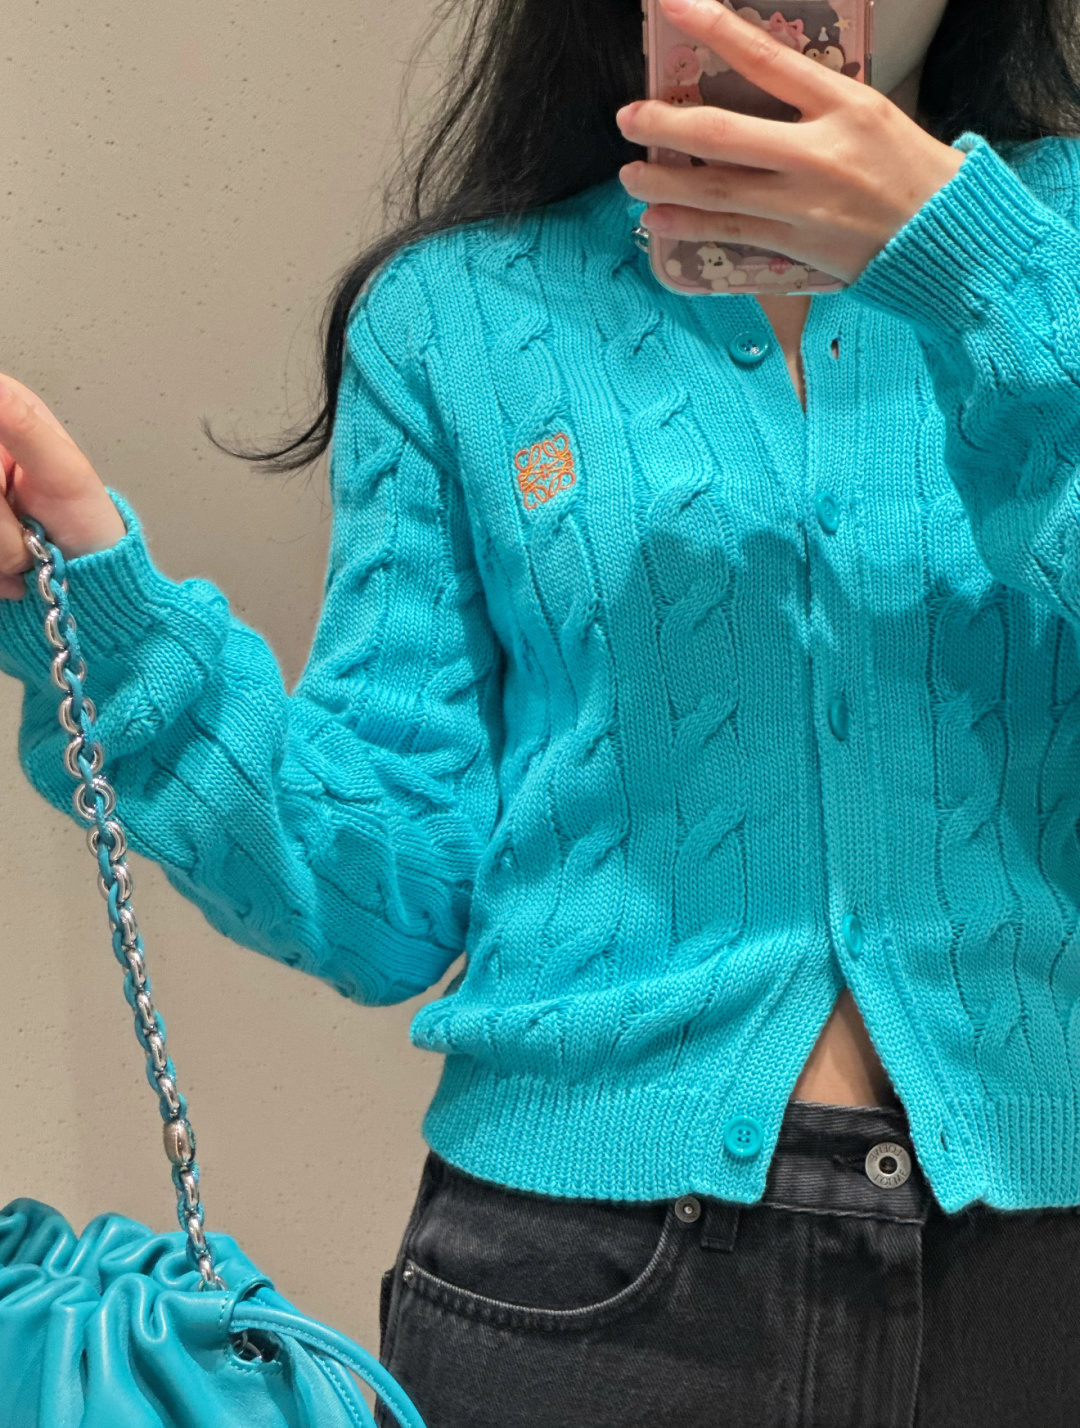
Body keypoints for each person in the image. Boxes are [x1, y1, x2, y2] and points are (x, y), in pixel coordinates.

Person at [1, 0, 1080, 1418]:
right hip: (580, 1286)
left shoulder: (1055, 253)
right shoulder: (458, 316)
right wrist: (97, 603)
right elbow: (382, 900)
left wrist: (974, 264)